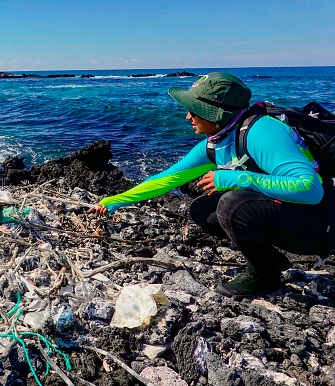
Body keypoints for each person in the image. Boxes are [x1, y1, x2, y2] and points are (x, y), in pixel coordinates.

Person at [92, 72, 334, 298]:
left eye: (194, 111)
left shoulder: (262, 132)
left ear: (215, 113)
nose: (188, 116)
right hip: (295, 215)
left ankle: (264, 277)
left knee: (232, 205)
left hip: (323, 225)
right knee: (204, 210)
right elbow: (167, 179)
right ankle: (269, 262)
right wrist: (114, 201)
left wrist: (234, 178)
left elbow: (309, 189)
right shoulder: (217, 141)